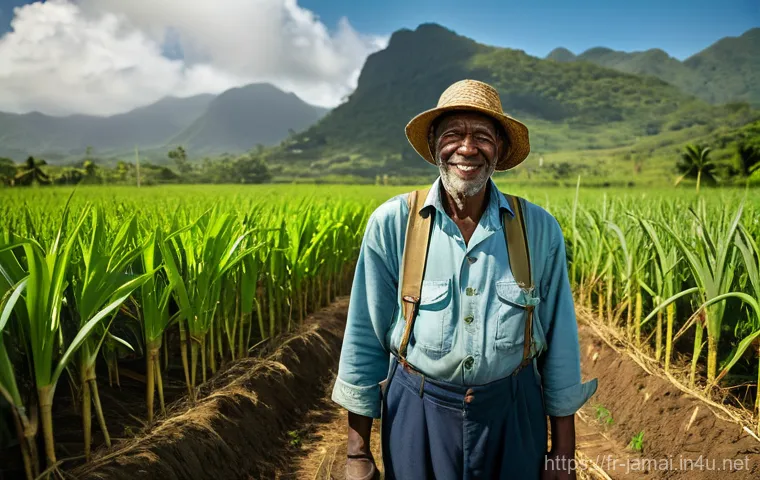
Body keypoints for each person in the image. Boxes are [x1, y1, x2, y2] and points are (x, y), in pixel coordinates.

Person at [332, 79, 598, 480]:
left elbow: (559, 343)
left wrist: (562, 452)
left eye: (483, 137)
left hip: (512, 413)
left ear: (501, 150)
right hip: (418, 410)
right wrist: (357, 453)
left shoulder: (538, 229)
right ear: (435, 144)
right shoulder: (394, 223)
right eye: (454, 134)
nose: (468, 148)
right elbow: (364, 338)